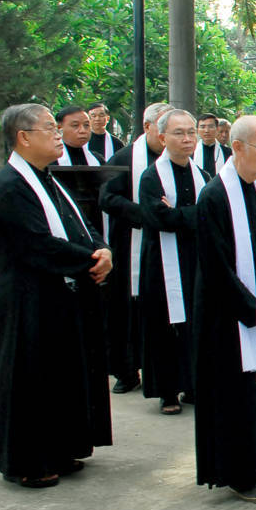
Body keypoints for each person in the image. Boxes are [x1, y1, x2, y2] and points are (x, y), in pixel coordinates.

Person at [0, 103, 113, 488]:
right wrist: (90, 260)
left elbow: (80, 224)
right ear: (23, 137)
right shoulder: (11, 186)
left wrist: (101, 249)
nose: (59, 135)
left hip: (57, 296)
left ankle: (59, 449)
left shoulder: (47, 178)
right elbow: (37, 244)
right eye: (49, 128)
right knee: (29, 379)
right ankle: (27, 461)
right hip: (26, 301)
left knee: (59, 376)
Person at [193, 115, 256, 503]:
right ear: (238, 147)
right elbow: (217, 268)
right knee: (233, 397)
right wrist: (254, 310)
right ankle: (239, 474)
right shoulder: (214, 196)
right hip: (226, 317)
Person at [138, 109, 208, 415]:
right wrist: (190, 215)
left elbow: (209, 215)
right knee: (165, 326)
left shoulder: (202, 174)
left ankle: (192, 385)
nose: (187, 138)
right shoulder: (151, 177)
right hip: (161, 262)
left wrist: (179, 214)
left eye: (191, 132)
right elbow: (158, 218)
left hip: (195, 259)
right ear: (163, 137)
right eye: (179, 133)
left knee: (194, 321)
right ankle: (167, 392)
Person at [99, 102, 170, 393]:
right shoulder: (124, 158)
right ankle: (126, 371)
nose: (167, 133)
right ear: (147, 127)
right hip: (130, 245)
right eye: (162, 126)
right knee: (125, 311)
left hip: (165, 246)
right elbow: (107, 198)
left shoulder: (177, 159)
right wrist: (145, 214)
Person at [193, 112, 231, 177]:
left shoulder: (227, 152)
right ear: (197, 130)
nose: (206, 130)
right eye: (202, 127)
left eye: (210, 127)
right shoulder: (191, 152)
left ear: (217, 129)